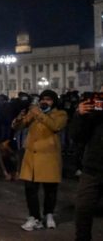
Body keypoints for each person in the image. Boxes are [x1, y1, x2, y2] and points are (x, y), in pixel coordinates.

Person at [12, 89, 67, 231]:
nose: (44, 101)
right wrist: (19, 119)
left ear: (54, 101)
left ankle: (48, 214)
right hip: (31, 158)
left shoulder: (60, 114)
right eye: (43, 99)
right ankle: (34, 217)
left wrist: (39, 114)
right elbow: (18, 127)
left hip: (49, 157)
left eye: (48, 99)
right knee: (30, 189)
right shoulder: (34, 113)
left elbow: (55, 126)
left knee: (50, 189)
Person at [71, 93, 103, 240]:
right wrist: (80, 115)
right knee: (83, 209)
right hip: (92, 168)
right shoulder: (95, 113)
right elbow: (78, 137)